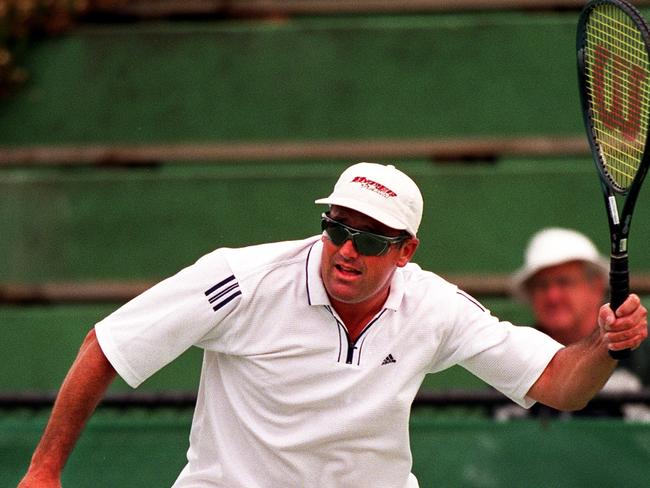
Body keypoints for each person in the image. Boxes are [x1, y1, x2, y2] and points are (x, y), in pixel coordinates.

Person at [18, 162, 648, 488]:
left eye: (371, 239)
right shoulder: (241, 278)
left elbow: (563, 385)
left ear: (406, 251)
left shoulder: (434, 306)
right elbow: (109, 343)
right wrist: (45, 470)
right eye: (338, 228)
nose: (348, 249)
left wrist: (605, 343)